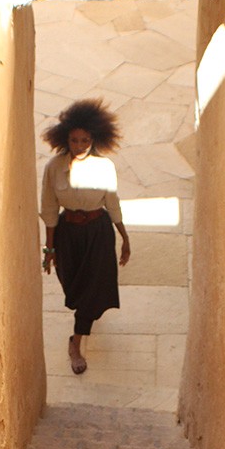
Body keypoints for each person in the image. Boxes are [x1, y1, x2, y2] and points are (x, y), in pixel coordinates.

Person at [40, 98, 131, 374]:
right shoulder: (54, 168)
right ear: (65, 139)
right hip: (69, 235)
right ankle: (85, 316)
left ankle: (76, 343)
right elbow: (49, 209)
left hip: (98, 234)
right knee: (74, 287)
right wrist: (50, 250)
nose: (79, 146)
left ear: (95, 139)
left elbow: (112, 204)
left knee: (90, 293)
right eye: (75, 140)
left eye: (85, 140)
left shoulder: (104, 167)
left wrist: (125, 238)